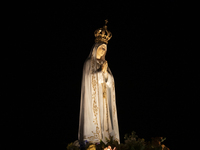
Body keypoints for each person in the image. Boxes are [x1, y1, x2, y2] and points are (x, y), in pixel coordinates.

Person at [78, 20, 120, 144]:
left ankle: (107, 141)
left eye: (104, 50)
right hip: (93, 101)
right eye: (101, 48)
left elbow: (111, 82)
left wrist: (106, 73)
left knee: (105, 122)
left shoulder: (105, 64)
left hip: (104, 99)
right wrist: (101, 72)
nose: (103, 51)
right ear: (95, 49)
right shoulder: (88, 64)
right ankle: (92, 142)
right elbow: (88, 80)